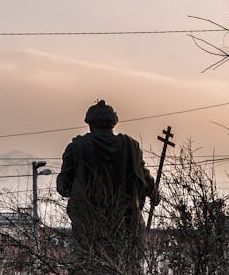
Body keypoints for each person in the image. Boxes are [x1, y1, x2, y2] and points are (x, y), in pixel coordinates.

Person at [57, 99, 159, 252]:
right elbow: (143, 177)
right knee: (127, 271)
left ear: (90, 123)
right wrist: (153, 192)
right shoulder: (130, 147)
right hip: (125, 226)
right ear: (113, 123)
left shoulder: (77, 147)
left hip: (89, 228)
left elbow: (63, 187)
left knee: (86, 270)